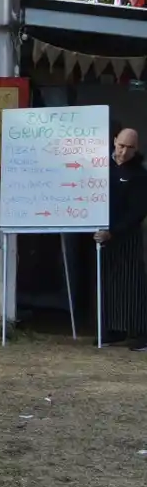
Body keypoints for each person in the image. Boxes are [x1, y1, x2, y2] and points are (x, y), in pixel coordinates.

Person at [95, 126, 147, 349]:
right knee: (107, 284)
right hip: (100, 236)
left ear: (137, 149)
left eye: (129, 148)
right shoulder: (100, 166)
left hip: (126, 236)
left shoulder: (139, 174)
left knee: (132, 285)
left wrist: (114, 231)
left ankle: (141, 333)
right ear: (114, 141)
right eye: (120, 146)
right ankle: (113, 329)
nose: (124, 152)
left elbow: (138, 211)